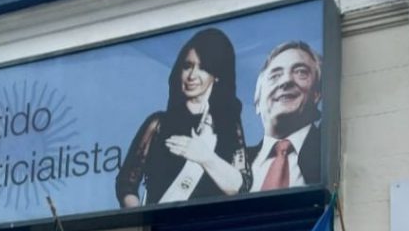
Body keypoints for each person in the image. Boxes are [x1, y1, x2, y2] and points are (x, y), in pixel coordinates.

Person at [116, 28, 251, 207]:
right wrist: (144, 219)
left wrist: (204, 157)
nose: (192, 76)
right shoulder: (158, 125)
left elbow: (242, 186)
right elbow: (126, 185)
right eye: (187, 66)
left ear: (216, 75)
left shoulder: (228, 125)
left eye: (203, 68)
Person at [248, 41, 323, 192]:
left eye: (301, 72)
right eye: (275, 75)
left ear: (317, 94)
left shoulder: (326, 151)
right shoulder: (231, 166)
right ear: (257, 103)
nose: (286, 80)